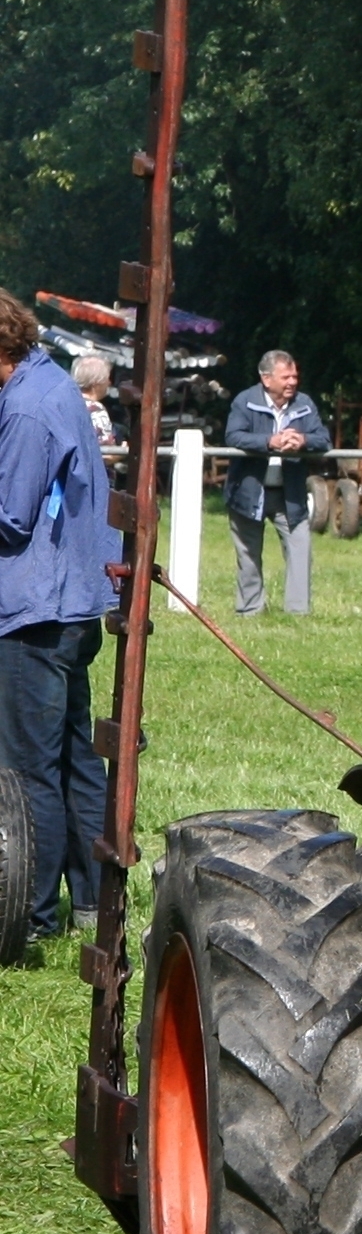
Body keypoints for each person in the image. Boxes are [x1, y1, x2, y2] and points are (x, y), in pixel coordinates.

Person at [0, 291, 115, 946]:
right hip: (72, 601)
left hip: (34, 611)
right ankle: (91, 901)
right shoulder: (51, 382)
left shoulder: (25, 408)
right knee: (74, 759)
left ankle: (33, 914)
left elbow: (10, 515)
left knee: (27, 767)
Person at [224, 350, 330, 616]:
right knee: (248, 556)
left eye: (295, 376)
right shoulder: (245, 401)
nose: (292, 382)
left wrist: (303, 441)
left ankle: (298, 613)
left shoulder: (304, 404)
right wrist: (268, 442)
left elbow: (324, 439)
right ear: (266, 379)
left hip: (290, 494)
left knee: (301, 549)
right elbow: (233, 436)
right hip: (249, 491)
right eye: (286, 377)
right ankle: (249, 611)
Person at [71, 355, 115, 447]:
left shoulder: (65, 402)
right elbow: (107, 454)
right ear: (96, 383)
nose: (109, 383)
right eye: (107, 378)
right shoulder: (96, 410)